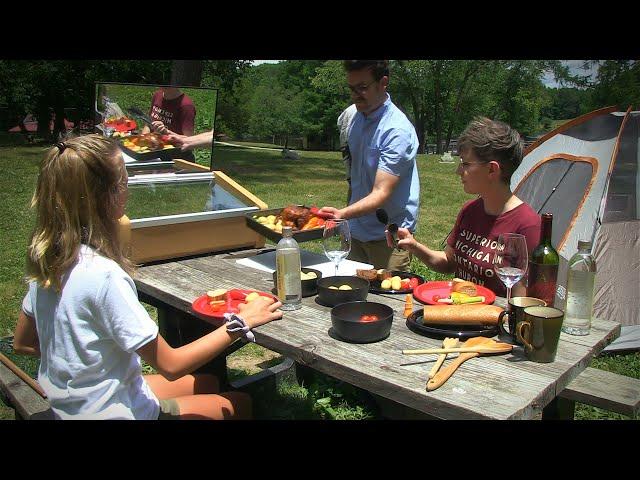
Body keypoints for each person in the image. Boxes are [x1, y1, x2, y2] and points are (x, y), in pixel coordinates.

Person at [12, 134, 283, 420]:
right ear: (110, 195)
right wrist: (243, 322)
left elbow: (23, 343)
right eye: (125, 182)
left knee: (205, 382)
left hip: (74, 403)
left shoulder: (49, 263)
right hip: (109, 413)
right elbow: (172, 364)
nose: (127, 189)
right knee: (236, 403)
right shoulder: (104, 277)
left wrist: (82, 364)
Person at [390, 117, 541, 297]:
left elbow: (523, 301)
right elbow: (449, 262)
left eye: (466, 164)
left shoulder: (527, 225)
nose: (458, 171)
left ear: (492, 170)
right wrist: (414, 246)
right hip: (458, 313)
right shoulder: (470, 210)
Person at [319, 61, 420, 272]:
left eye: (362, 87)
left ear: (383, 83)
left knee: (389, 300)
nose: (356, 95)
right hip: (356, 229)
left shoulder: (396, 130)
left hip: (389, 235)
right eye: (351, 88)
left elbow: (381, 192)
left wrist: (341, 214)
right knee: (352, 295)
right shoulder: (353, 117)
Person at [337, 103, 357, 203]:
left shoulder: (350, 109)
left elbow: (339, 123)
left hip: (346, 144)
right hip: (348, 145)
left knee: (353, 181)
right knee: (354, 181)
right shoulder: (353, 109)